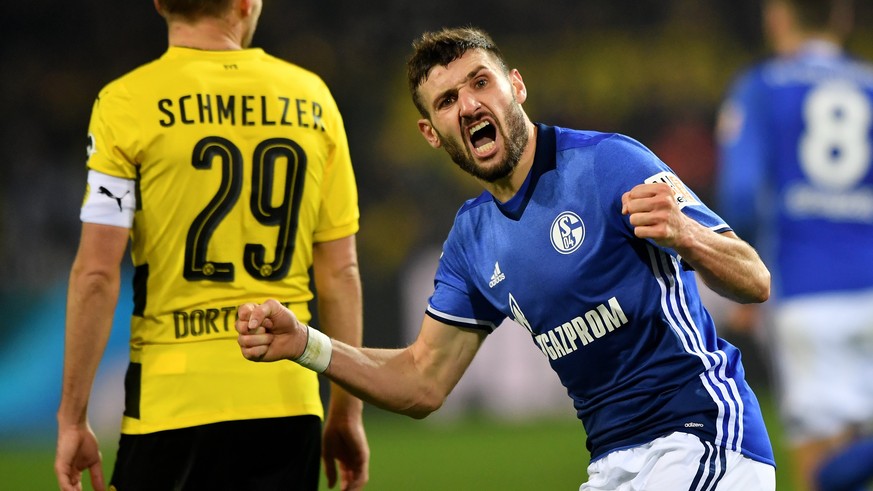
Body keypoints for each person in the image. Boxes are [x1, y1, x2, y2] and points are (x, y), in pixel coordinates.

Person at [238, 26, 776, 490]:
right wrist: (306, 344)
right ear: (431, 133)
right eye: (446, 101)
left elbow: (755, 279)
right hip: (613, 463)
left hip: (703, 437)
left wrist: (688, 235)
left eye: (480, 82)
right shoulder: (472, 240)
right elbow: (422, 380)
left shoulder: (609, 162)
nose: (469, 104)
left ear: (514, 86)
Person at [54, 0, 369, 490]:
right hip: (286, 397)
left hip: (169, 402)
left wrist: (72, 418)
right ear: (246, 4)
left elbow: (97, 273)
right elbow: (340, 271)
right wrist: (347, 412)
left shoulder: (126, 101)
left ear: (160, 3)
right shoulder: (312, 98)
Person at [716, 1, 873, 489]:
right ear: (843, 18)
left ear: (777, 17)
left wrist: (744, 274)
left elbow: (741, 197)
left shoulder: (761, 87)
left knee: (820, 474)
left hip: (806, 296)